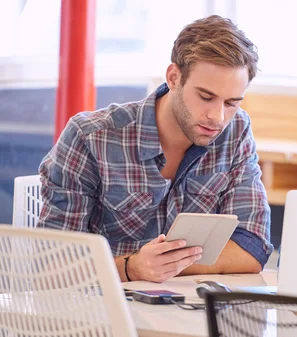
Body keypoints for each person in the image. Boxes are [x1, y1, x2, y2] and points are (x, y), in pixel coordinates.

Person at [38, 15, 272, 283]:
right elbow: (50, 266)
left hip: (183, 312)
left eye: (231, 102)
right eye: (206, 97)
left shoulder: (236, 130)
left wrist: (165, 267)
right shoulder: (91, 137)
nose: (218, 117)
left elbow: (253, 247)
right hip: (100, 313)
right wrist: (130, 268)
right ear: (174, 77)